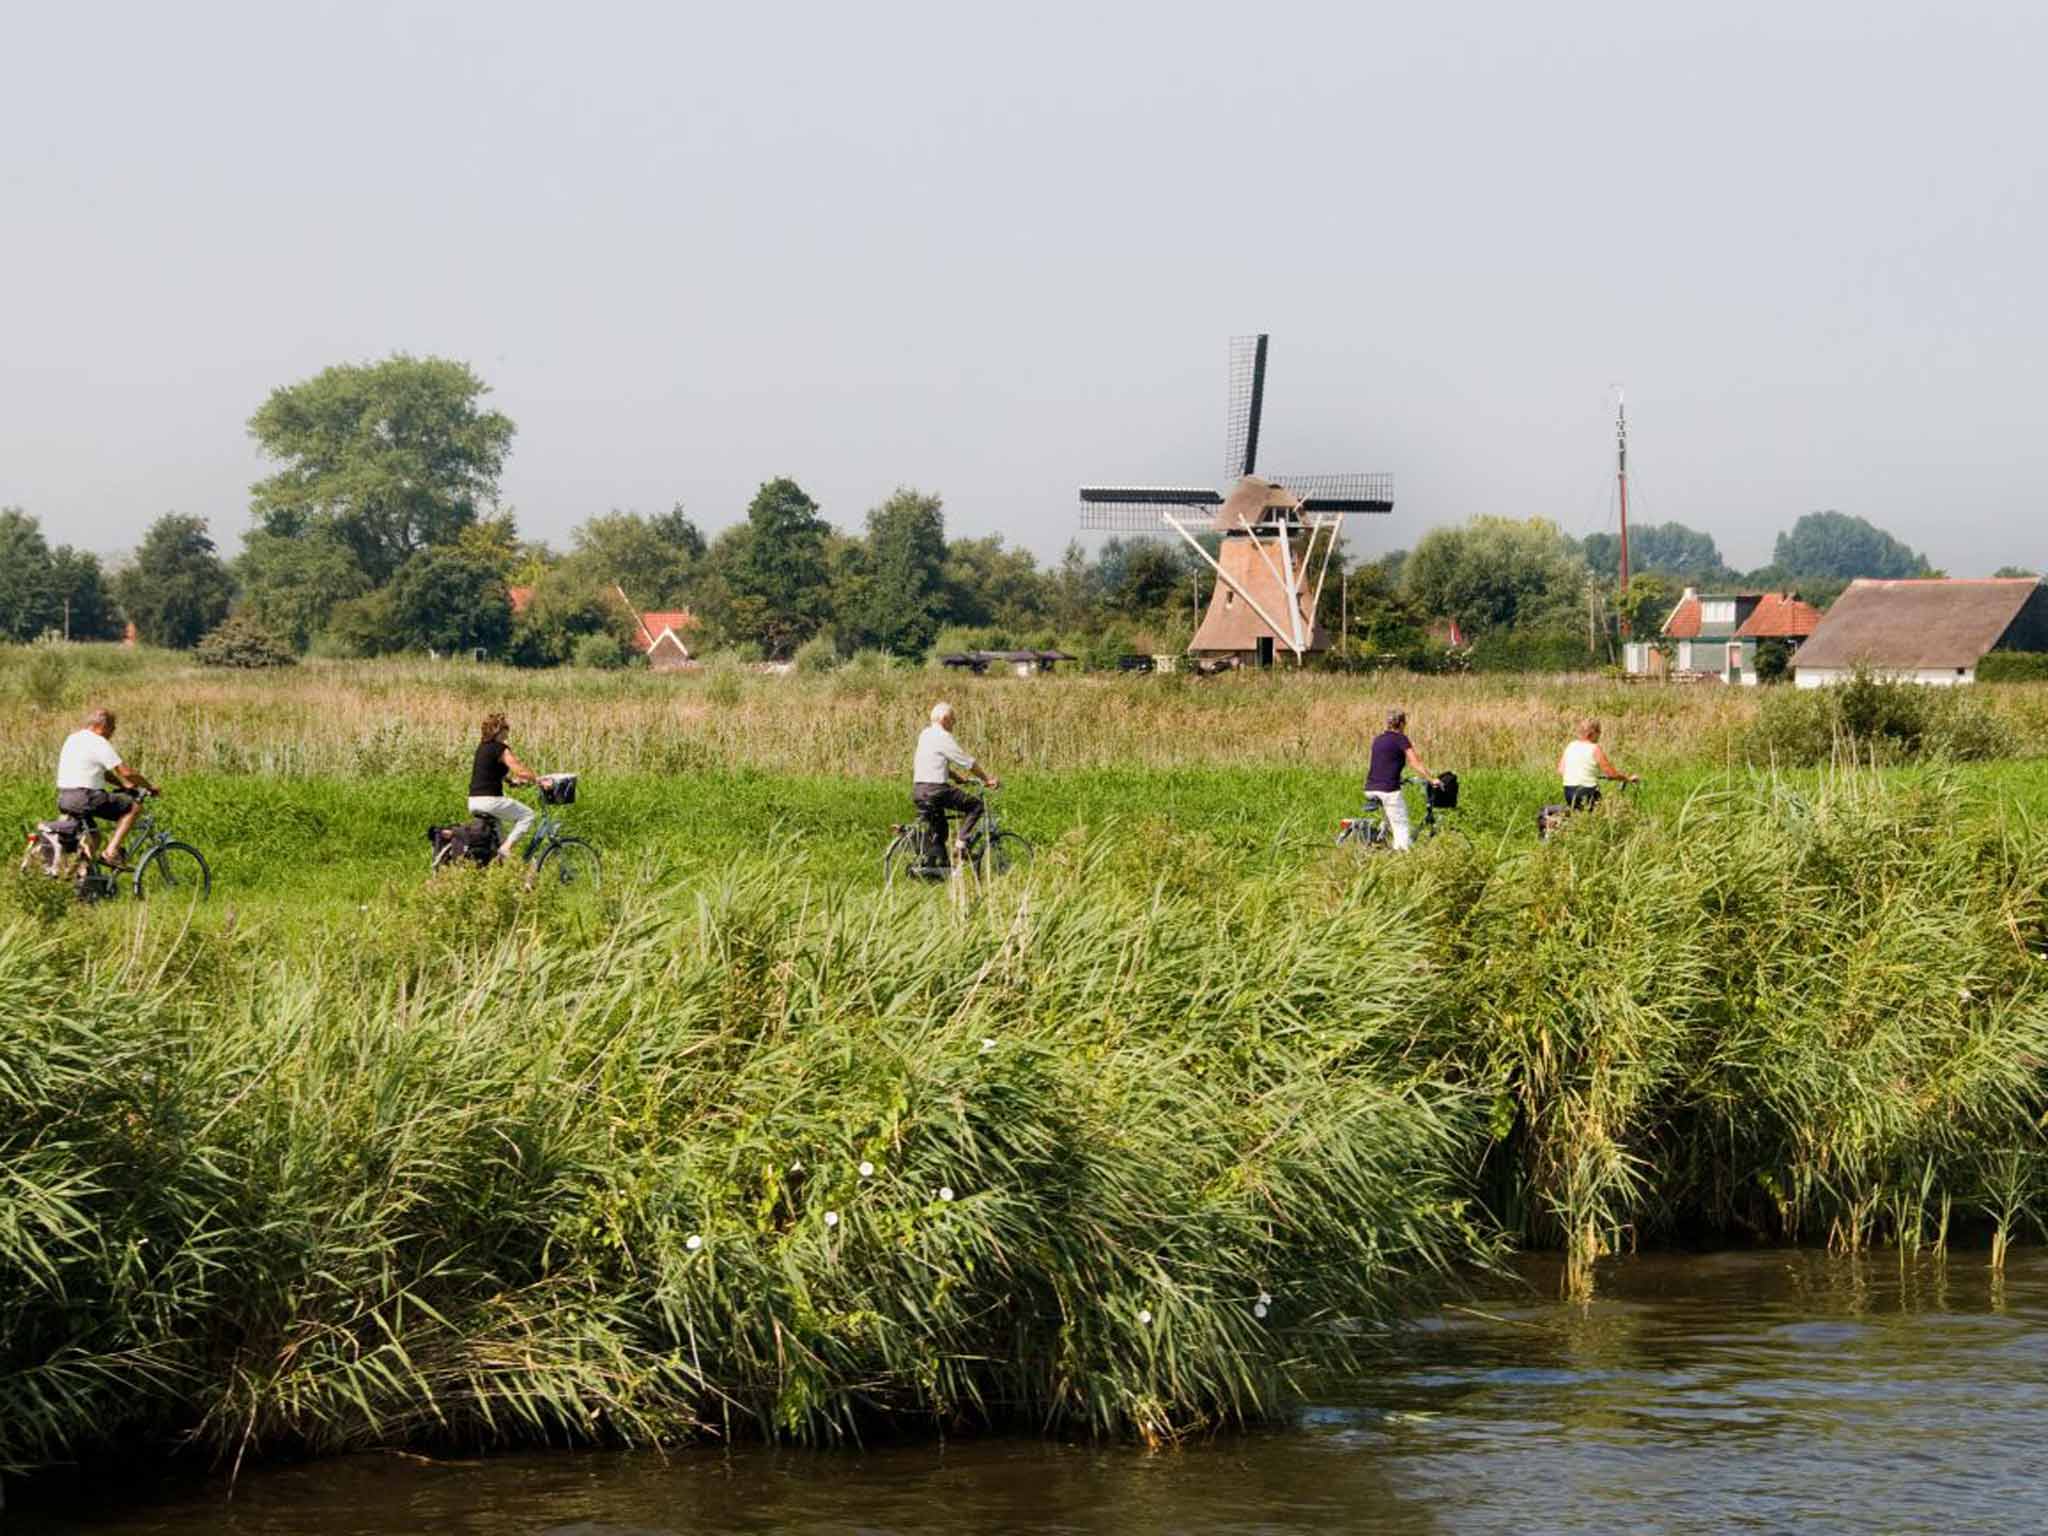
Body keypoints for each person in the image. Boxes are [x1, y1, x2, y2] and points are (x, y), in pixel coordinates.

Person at [56, 707, 158, 868]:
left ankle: (83, 878)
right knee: (134, 808)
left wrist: (122, 784)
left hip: (65, 798)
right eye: (113, 728)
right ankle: (111, 852)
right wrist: (149, 787)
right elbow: (127, 772)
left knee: (94, 836)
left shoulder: (72, 738)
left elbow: (101, 772)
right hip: (86, 797)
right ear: (103, 726)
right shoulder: (98, 741)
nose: (113, 733)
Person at [913, 701, 998, 861]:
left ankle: (937, 869)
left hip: (919, 790)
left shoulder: (925, 734)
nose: (954, 723)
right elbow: (968, 762)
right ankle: (960, 845)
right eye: (953, 720)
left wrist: (958, 779)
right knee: (977, 806)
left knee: (941, 830)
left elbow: (935, 762)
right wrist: (987, 780)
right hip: (936, 790)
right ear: (944, 718)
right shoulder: (943, 736)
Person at [1364, 709, 1440, 852]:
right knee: (1401, 827)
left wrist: (1399, 779)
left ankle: (1382, 847)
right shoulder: (1400, 739)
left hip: (1371, 787)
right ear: (1401, 723)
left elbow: (1384, 763)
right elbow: (1415, 762)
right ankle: (1402, 859)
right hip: (1388, 790)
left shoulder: (1378, 739)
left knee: (1390, 822)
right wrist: (1431, 779)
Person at [469, 712, 540, 862]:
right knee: (528, 815)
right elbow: (519, 769)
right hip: (490, 801)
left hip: (474, 801)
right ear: (499, 730)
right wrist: (539, 780)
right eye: (506, 728)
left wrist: (511, 782)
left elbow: (490, 771)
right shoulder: (500, 748)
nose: (508, 732)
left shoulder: (483, 748)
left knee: (501, 846)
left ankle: (506, 874)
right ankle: (506, 848)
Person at [1558, 718, 1639, 809]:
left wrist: (1587, 774)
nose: (1600, 735)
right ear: (1593, 733)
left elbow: (1561, 770)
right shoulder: (1595, 749)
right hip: (1586, 793)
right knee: (1604, 812)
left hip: (1569, 793)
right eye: (1599, 732)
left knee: (1579, 814)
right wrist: (1627, 779)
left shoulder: (1571, 745)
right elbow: (1611, 774)